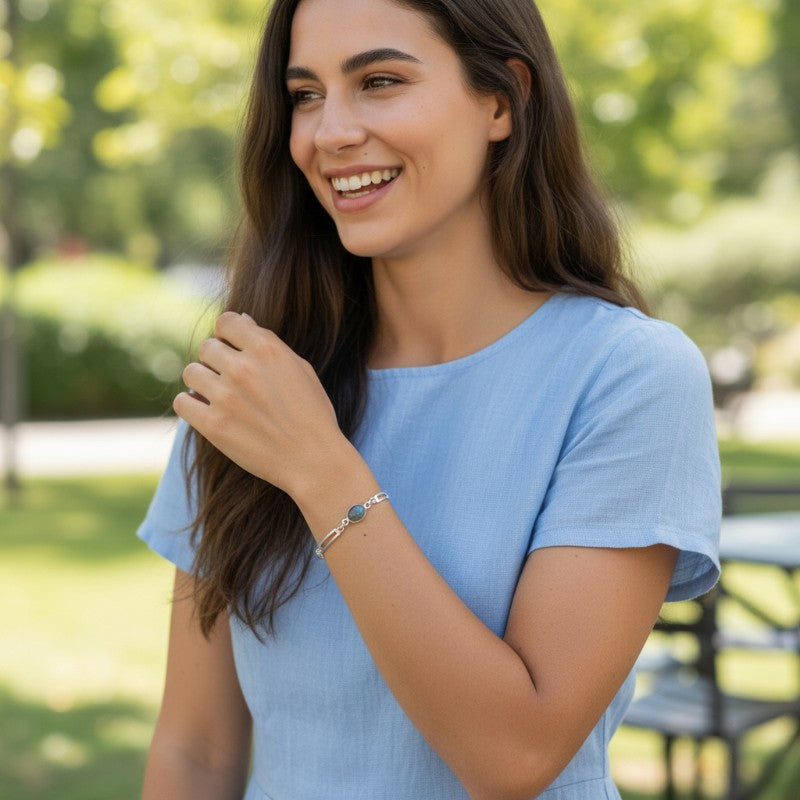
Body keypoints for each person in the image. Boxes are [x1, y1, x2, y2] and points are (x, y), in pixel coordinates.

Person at [137, 0, 721, 797]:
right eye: (305, 95)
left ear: (501, 100)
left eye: (379, 81)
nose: (330, 132)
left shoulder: (627, 375)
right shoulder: (255, 382)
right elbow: (195, 749)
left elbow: (515, 755)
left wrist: (319, 468)